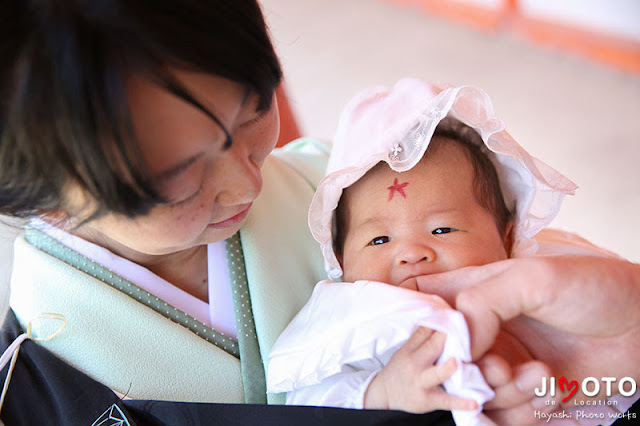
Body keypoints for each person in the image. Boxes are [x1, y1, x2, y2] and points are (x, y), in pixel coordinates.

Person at [0, 1, 638, 425]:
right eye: (179, 176)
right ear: (43, 198)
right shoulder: (43, 374)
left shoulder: (343, 186)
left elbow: (518, 259)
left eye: (253, 113)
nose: (244, 180)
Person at [267, 79, 640, 425]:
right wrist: (379, 391)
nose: (411, 253)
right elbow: (304, 398)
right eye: (379, 240)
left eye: (442, 229)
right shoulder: (349, 318)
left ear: (508, 240)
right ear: (341, 263)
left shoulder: (547, 282)